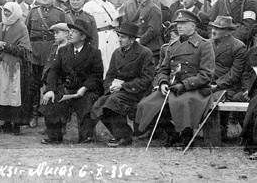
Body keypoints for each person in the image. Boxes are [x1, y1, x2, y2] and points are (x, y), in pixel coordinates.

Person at [135, 10, 214, 148]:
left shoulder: (204, 45)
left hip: (195, 89)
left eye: (183, 23)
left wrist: (184, 85)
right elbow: (163, 70)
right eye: (178, 23)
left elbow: (206, 74)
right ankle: (171, 134)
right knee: (146, 105)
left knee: (182, 103)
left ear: (193, 26)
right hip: (172, 87)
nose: (179, 26)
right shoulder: (172, 46)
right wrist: (163, 82)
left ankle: (186, 136)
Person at [91, 22, 155, 147]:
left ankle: (123, 136)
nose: (119, 40)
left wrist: (123, 86)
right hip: (118, 91)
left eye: (123, 37)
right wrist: (110, 87)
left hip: (137, 91)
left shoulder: (144, 53)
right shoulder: (117, 53)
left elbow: (146, 79)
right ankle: (119, 133)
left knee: (112, 102)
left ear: (132, 39)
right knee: (98, 105)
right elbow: (110, 75)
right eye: (119, 36)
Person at [40, 19, 104, 144]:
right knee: (52, 100)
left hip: (86, 90)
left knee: (87, 103)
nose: (70, 34)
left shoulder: (94, 53)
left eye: (74, 32)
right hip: (67, 88)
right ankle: (54, 137)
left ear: (83, 36)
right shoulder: (63, 51)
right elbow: (54, 71)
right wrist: (50, 90)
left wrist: (85, 87)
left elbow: (97, 75)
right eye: (70, 31)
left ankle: (86, 137)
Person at [24, 0, 71, 128]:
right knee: (33, 85)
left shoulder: (60, 13)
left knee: (52, 84)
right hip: (35, 53)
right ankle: (33, 115)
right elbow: (26, 32)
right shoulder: (33, 12)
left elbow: (69, 31)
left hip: (53, 53)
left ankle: (51, 116)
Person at [0, 2, 32, 135]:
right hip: (0, 65)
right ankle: (5, 123)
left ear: (15, 12)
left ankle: (16, 124)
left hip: (14, 67)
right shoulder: (0, 26)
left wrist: (6, 46)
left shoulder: (21, 27)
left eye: (9, 11)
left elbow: (24, 50)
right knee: (2, 93)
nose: (6, 13)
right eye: (5, 10)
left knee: (13, 94)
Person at [208, 16, 247, 141]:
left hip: (229, 86)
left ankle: (221, 130)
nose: (214, 31)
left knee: (215, 98)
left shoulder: (238, 47)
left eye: (219, 29)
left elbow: (234, 74)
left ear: (228, 32)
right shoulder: (208, 43)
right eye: (214, 27)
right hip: (207, 83)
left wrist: (216, 84)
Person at [83, 0, 119, 74]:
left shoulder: (110, 5)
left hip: (112, 38)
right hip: (100, 39)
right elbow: (86, 26)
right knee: (101, 65)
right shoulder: (89, 6)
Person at [128, 0, 162, 65]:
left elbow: (153, 30)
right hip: (144, 49)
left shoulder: (153, 9)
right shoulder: (143, 7)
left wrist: (140, 41)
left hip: (152, 50)